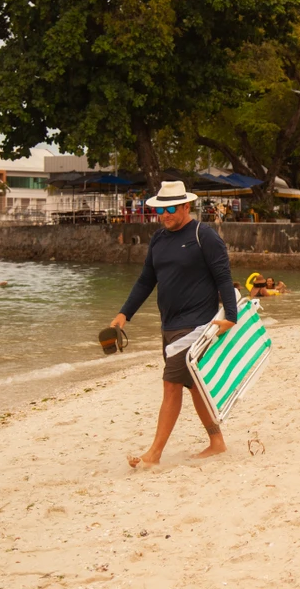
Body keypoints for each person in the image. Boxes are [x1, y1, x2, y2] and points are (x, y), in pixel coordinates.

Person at [108, 181, 238, 468]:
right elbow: (146, 280)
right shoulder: (158, 239)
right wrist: (124, 314)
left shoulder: (204, 236)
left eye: (170, 209)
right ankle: (217, 442)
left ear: (185, 206)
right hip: (169, 326)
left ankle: (154, 454)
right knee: (193, 386)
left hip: (196, 326)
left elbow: (223, 277)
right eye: (159, 210)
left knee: (171, 385)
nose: (164, 215)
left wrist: (231, 316)